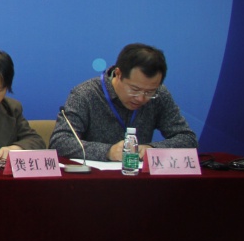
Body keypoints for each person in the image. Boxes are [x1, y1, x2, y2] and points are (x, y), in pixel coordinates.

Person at [50, 43, 196, 163]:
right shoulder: (85, 94)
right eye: (134, 90)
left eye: (149, 92)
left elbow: (188, 139)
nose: (141, 98)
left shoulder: (161, 95)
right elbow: (59, 142)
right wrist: (107, 152)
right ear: (118, 74)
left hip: (141, 180)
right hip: (94, 181)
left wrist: (152, 149)